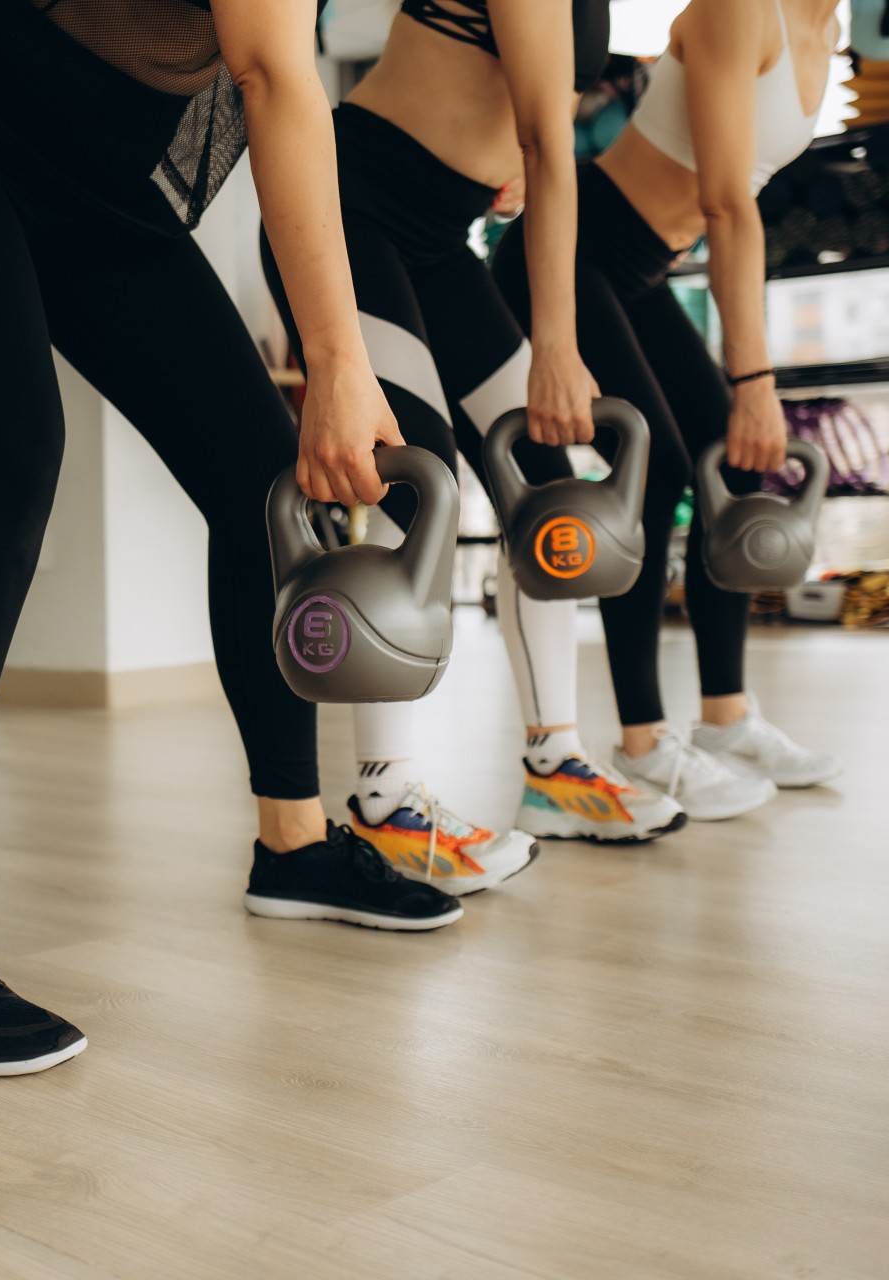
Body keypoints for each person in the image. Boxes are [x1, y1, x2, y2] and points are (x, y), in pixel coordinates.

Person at [0, 0, 480, 1077]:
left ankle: (294, 842)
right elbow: (273, 76)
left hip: (96, 176)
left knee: (260, 479)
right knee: (7, 467)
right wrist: (339, 357)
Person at [262, 0, 687, 859]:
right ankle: (385, 803)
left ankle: (557, 765)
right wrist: (555, 347)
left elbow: (530, 128)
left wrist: (502, 153)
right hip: (356, 208)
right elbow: (545, 145)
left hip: (437, 231)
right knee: (408, 482)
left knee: (548, 489)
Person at [492, 0, 843, 820]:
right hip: (576, 247)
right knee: (659, 472)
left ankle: (724, 720)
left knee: (726, 455)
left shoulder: (827, 32)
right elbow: (726, 202)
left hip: (640, 268)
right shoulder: (739, 10)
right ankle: (641, 744)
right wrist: (753, 377)